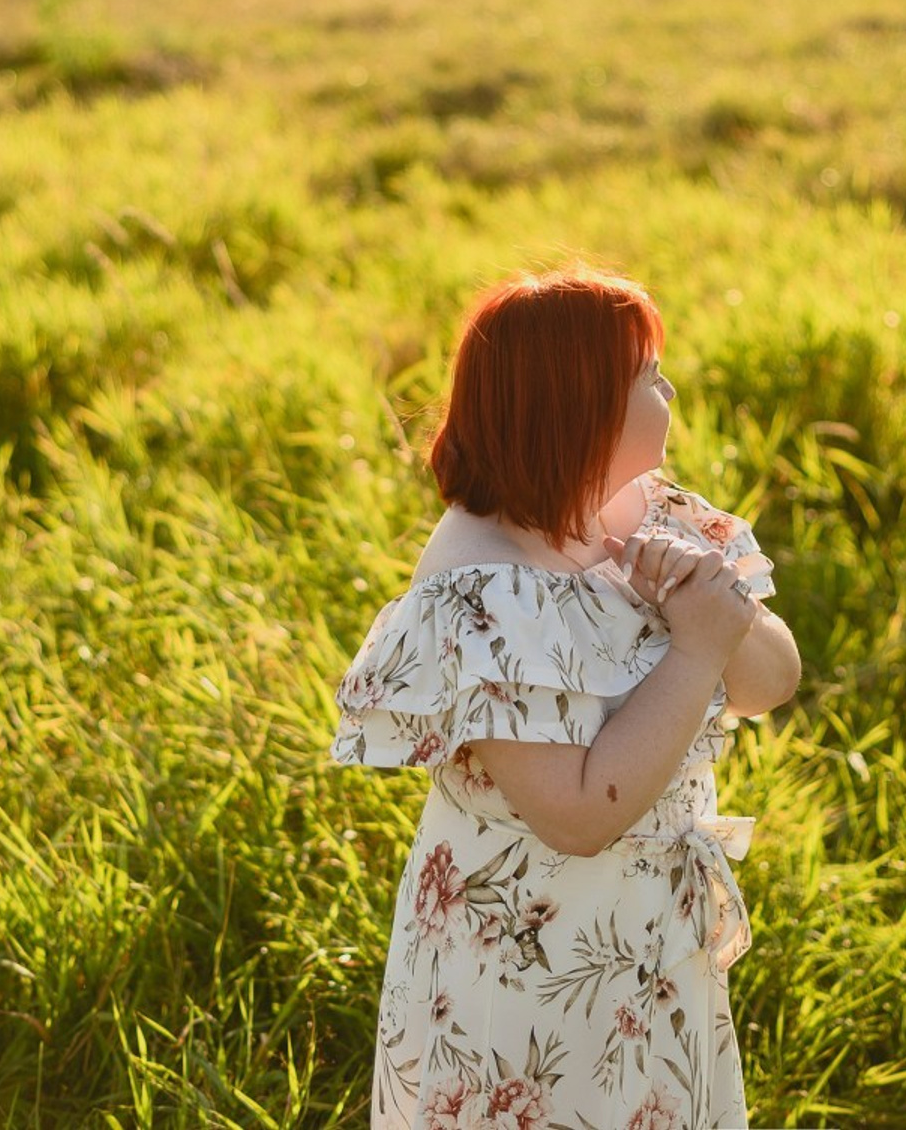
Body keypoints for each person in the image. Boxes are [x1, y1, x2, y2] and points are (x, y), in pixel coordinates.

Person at [331, 266, 801, 1130]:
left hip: (649, 946)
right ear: (577, 409)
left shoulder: (647, 513)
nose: (668, 390)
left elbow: (772, 684)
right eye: (646, 378)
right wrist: (694, 649)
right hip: (523, 972)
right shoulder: (481, 583)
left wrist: (716, 605)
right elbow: (577, 816)